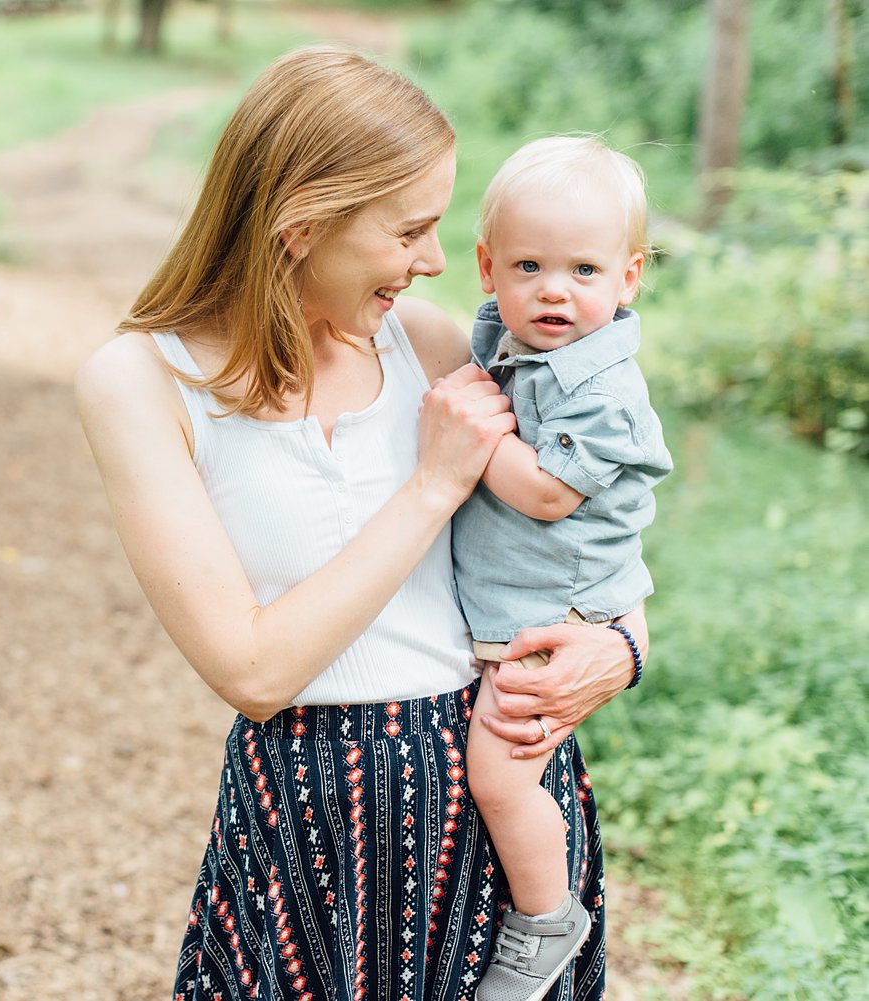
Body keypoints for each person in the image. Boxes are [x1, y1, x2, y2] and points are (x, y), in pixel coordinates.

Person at [75, 47, 645, 1001]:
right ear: (302, 225)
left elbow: (589, 530)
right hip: (312, 807)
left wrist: (623, 648)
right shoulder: (140, 382)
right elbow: (253, 672)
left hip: (490, 776)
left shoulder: (426, 343)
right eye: (411, 230)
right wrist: (430, 485)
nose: (432, 260)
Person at [453, 136, 671, 1001]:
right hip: (522, 595)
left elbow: (548, 495)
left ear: (628, 277)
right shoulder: (506, 342)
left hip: (561, 609)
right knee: (505, 762)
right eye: (529, 264)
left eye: (584, 269)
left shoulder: (605, 386)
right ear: (487, 267)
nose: (554, 289)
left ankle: (545, 920)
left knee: (499, 771)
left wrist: (476, 436)